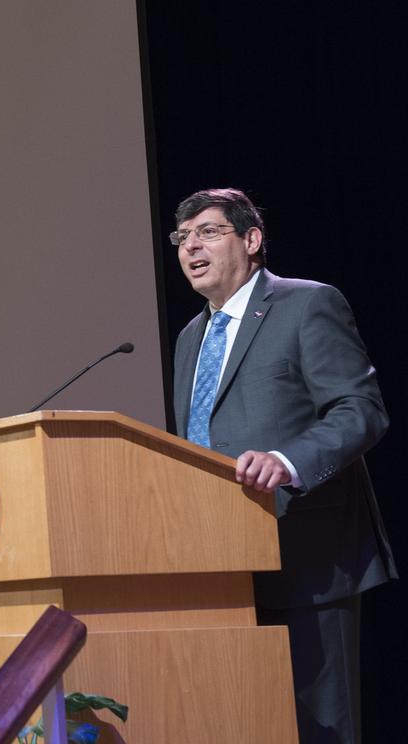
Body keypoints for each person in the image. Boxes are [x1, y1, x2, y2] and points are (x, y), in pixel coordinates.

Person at [170, 188, 395, 744]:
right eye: (182, 237)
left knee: (320, 730)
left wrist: (286, 460)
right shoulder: (189, 338)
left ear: (251, 240)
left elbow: (361, 410)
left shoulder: (306, 304)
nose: (190, 246)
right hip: (220, 564)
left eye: (208, 232)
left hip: (307, 558)